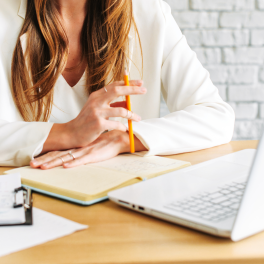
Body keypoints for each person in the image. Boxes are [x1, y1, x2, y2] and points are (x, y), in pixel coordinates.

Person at [0, 0, 235, 169]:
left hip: (122, 196)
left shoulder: (150, 12)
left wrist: (125, 139)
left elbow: (216, 116)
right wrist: (66, 133)